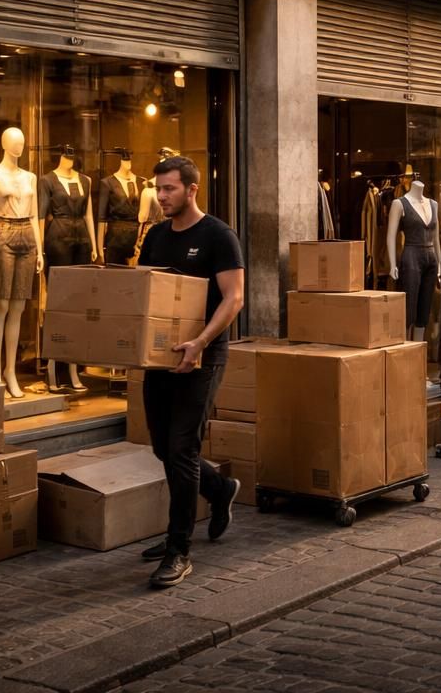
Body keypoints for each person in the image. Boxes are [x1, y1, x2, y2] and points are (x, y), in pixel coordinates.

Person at [136, 156, 245, 589]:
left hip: (203, 357)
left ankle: (178, 549)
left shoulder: (219, 236)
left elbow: (233, 298)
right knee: (163, 448)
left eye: (169, 190)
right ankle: (220, 490)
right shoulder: (156, 236)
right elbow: (144, 293)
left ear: (192, 189)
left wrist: (200, 342)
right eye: (158, 189)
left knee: (181, 448)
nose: (161, 197)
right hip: (161, 359)